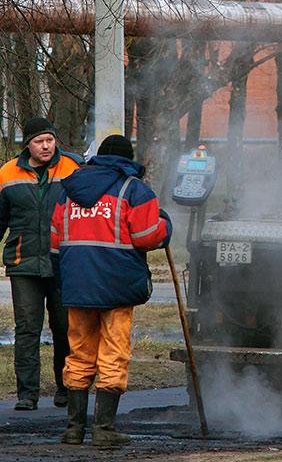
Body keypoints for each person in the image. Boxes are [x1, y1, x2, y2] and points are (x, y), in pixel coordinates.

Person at [50, 134, 172, 447]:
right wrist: (165, 226)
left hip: (78, 285)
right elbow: (146, 237)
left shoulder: (68, 191)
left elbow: (55, 240)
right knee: (113, 352)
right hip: (116, 286)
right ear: (127, 158)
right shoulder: (134, 189)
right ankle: (104, 430)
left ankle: (74, 429)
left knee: (79, 353)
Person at [0, 117, 81, 410]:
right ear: (28, 145)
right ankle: (27, 395)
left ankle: (66, 388)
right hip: (24, 263)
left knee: (65, 328)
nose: (46, 146)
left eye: (50, 140)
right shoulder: (7, 173)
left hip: (63, 262)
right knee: (27, 329)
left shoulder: (73, 169)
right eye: (39, 141)